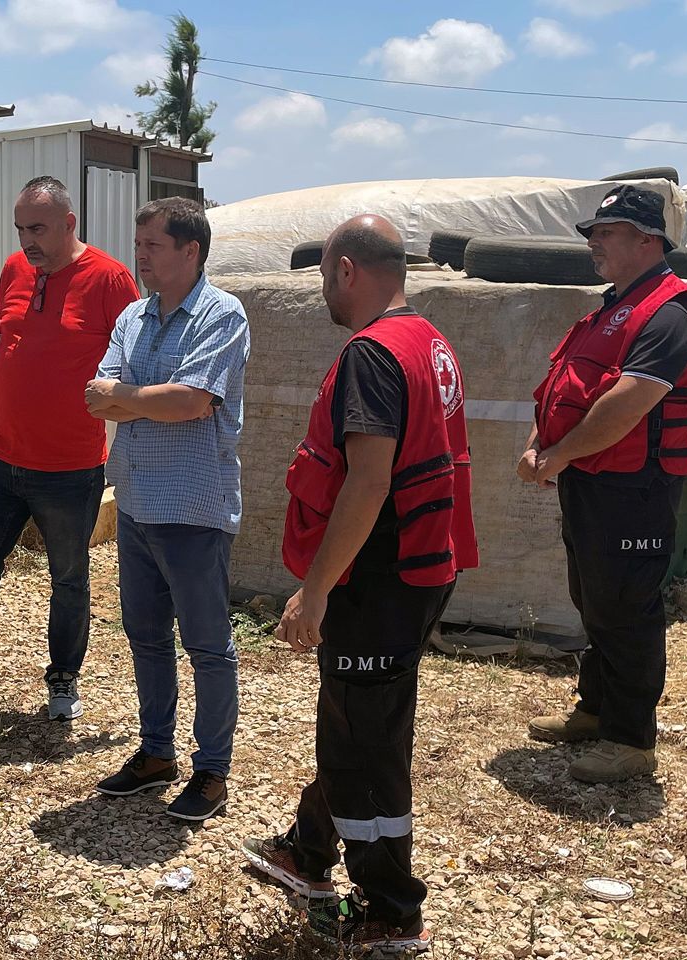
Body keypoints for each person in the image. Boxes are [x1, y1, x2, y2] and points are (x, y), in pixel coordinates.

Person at [241, 215, 477, 957]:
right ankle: (307, 850)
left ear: (346, 268)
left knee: (364, 745)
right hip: (421, 565)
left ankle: (391, 910)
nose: (324, 291)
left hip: (377, 579)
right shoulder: (428, 341)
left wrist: (315, 590)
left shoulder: (372, 354)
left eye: (324, 277)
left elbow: (368, 481)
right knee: (358, 719)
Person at [0, 176, 138, 721]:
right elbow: (7, 344)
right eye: (20, 229)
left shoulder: (110, 279)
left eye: (37, 228)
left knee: (68, 577)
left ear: (69, 223)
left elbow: (133, 359)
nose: (27, 240)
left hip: (69, 466)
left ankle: (63, 680)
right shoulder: (16, 269)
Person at [521, 183, 687, 784]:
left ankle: (631, 740)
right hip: (591, 479)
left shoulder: (672, 312)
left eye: (607, 233)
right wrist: (540, 445)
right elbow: (563, 389)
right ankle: (597, 709)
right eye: (594, 233)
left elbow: (626, 405)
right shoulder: (611, 307)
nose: (594, 243)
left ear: (648, 240)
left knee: (627, 608)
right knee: (593, 598)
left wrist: (556, 455)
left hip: (636, 489)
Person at [84, 197, 249, 822]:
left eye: (153, 245)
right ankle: (157, 753)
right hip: (136, 503)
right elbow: (97, 398)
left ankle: (212, 770)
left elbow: (191, 402)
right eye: (139, 243)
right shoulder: (134, 314)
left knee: (207, 645)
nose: (141, 255)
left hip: (193, 506)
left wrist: (130, 396)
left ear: (191, 251)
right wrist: (145, 398)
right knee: (146, 637)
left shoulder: (221, 314)